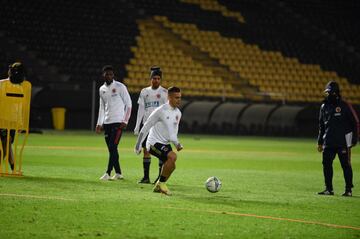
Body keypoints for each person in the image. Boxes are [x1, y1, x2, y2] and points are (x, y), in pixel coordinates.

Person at [134, 86, 183, 195]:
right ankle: (162, 184)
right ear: (169, 97)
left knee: (172, 165)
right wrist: (137, 145)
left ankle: (158, 185)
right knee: (172, 157)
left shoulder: (178, 113)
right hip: (153, 143)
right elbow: (146, 126)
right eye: (176, 97)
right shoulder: (160, 111)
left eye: (180, 97)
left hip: (164, 143)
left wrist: (177, 144)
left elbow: (173, 134)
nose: (179, 100)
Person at [317, 81, 359, 197]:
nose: (327, 95)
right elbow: (321, 126)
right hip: (328, 142)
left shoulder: (345, 106)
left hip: (343, 142)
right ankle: (328, 189)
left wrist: (354, 138)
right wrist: (320, 142)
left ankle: (348, 190)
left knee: (346, 165)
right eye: (326, 92)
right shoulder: (324, 106)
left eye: (329, 92)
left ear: (335, 93)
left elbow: (355, 123)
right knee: (326, 164)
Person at [96, 65, 132, 181]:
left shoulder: (120, 87)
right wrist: (99, 123)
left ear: (113, 75)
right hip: (107, 123)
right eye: (107, 74)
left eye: (111, 74)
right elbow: (101, 107)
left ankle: (107, 173)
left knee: (113, 146)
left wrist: (125, 120)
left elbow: (129, 104)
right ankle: (118, 173)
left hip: (118, 123)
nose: (109, 76)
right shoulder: (101, 89)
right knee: (112, 149)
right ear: (103, 75)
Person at [134, 66, 168, 184]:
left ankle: (159, 178)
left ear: (161, 80)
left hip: (159, 127)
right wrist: (137, 125)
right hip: (147, 125)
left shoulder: (164, 92)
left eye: (158, 78)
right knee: (146, 150)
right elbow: (141, 109)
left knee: (159, 153)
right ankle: (146, 177)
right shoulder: (144, 92)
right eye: (154, 78)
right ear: (151, 79)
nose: (156, 80)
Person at [0, 62, 26, 171]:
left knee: (6, 143)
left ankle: (13, 165)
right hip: (11, 120)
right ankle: (11, 165)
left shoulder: (1, 83)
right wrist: (20, 122)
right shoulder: (20, 88)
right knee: (7, 143)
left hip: (2, 118)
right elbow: (19, 107)